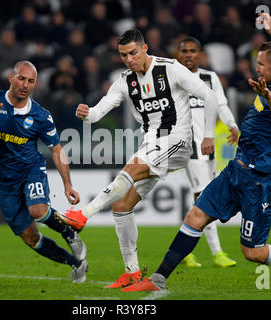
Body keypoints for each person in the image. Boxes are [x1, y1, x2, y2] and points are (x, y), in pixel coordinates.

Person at [123, 14, 271, 292]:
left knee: (253, 252)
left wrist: (267, 96)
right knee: (194, 217)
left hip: (259, 182)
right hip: (236, 170)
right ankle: (157, 279)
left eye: (261, 65)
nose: (256, 69)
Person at [55, 29, 219, 288]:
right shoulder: (124, 82)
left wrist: (208, 135)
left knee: (131, 168)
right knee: (121, 206)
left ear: (144, 49)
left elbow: (209, 97)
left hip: (177, 141)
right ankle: (132, 271)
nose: (129, 59)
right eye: (123, 55)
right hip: (151, 144)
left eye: (133, 52)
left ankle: (83, 214)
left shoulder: (171, 68)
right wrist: (86, 113)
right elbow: (98, 112)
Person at [0, 61, 88, 283]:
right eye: (22, 79)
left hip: (30, 170)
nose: (25, 85)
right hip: (3, 181)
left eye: (31, 81)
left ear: (35, 84)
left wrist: (67, 185)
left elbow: (56, 150)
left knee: (37, 209)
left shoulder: (40, 115)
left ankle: (68, 232)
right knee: (30, 237)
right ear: (11, 78)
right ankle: (76, 265)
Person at [176, 36, 238, 268]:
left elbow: (221, 104)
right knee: (205, 197)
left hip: (208, 146)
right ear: (179, 54)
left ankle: (184, 250)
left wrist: (232, 125)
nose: (189, 54)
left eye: (193, 51)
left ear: (200, 54)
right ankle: (217, 252)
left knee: (200, 198)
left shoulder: (209, 78)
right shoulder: (173, 79)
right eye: (185, 51)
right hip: (188, 147)